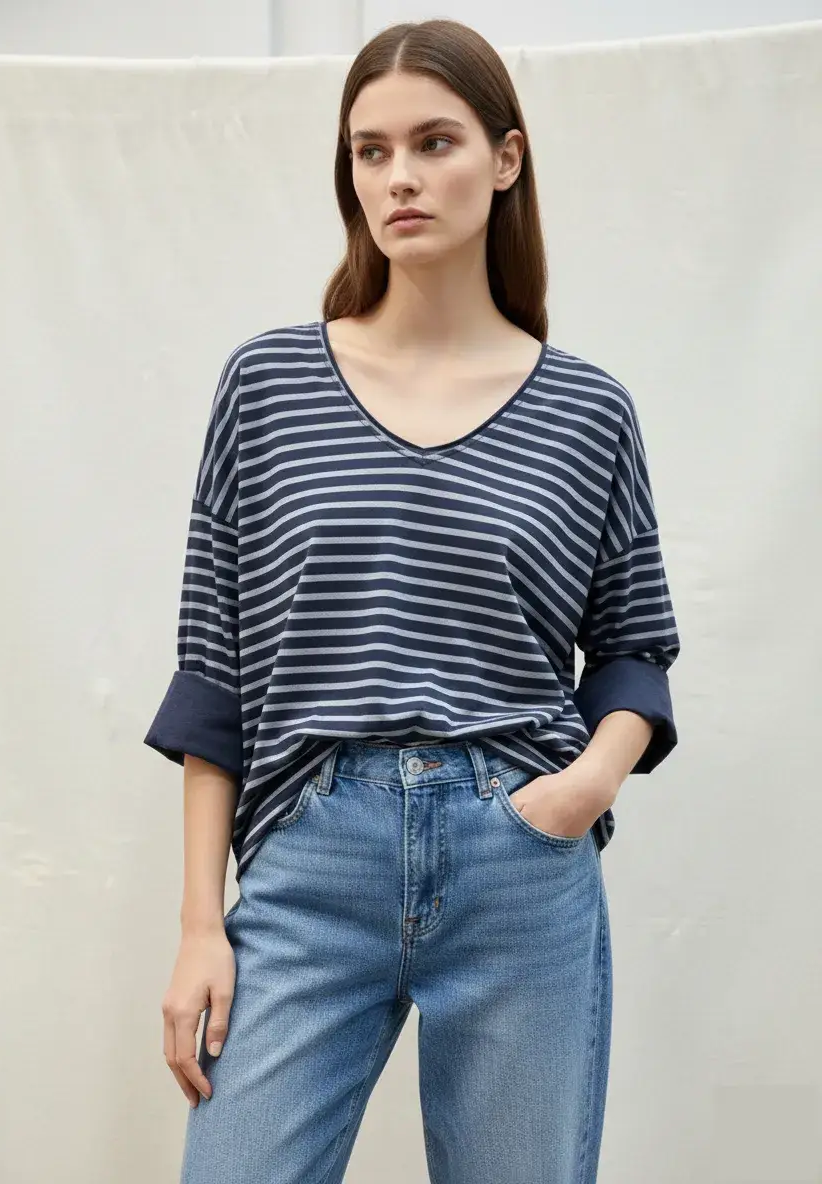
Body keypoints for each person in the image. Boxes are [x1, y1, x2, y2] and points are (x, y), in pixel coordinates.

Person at [147, 17, 680, 1183]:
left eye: (434, 142)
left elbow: (633, 649)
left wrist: (583, 788)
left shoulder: (587, 411)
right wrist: (199, 925)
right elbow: (213, 670)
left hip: (518, 857)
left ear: (506, 157)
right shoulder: (269, 384)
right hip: (310, 852)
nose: (399, 177)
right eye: (370, 150)